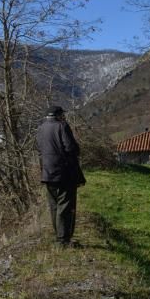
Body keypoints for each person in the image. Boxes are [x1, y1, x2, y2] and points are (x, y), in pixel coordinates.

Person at [36, 106, 84, 247]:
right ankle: (63, 240)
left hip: (47, 172)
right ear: (58, 115)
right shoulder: (62, 126)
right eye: (63, 114)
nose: (64, 117)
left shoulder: (40, 129)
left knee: (54, 206)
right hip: (64, 173)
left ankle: (60, 236)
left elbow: (39, 148)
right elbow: (70, 148)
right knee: (65, 206)